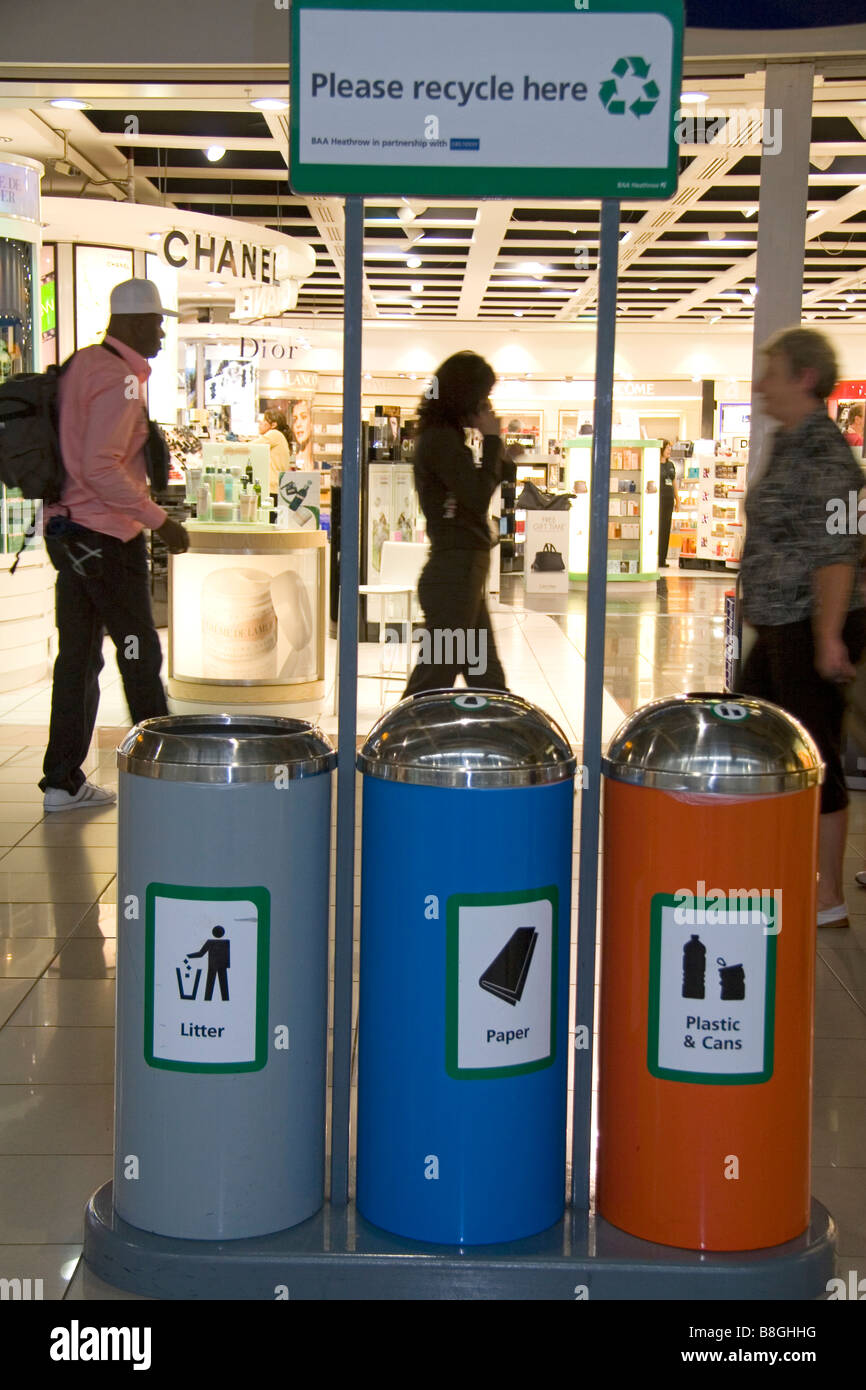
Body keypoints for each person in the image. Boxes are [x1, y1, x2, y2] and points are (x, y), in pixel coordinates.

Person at [39, 277, 189, 812]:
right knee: (138, 652)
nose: (162, 333)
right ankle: (165, 770)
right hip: (106, 539)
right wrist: (159, 521)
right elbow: (101, 466)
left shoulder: (82, 365)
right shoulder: (122, 379)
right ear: (131, 323)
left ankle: (62, 780)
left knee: (77, 658)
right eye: (157, 322)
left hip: (69, 533)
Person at [736, 327, 866, 927]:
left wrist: (829, 637)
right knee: (759, 740)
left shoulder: (827, 456)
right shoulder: (788, 443)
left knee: (816, 752)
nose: (761, 384)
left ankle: (829, 896)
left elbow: (839, 552)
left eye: (772, 371)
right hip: (777, 622)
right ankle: (775, 866)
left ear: (804, 379)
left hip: (810, 623)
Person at [403, 351, 508, 695]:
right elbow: (477, 496)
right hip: (455, 575)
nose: (487, 404)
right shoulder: (440, 441)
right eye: (483, 396)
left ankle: (501, 743)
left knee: (486, 679)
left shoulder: (443, 438)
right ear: (465, 395)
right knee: (433, 680)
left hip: (462, 575)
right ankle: (392, 747)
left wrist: (499, 453)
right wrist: (492, 440)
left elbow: (472, 490)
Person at [258, 409, 293, 496]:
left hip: (271, 487)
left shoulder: (274, 434)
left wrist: (224, 442)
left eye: (263, 421)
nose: (260, 424)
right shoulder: (280, 436)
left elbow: (251, 446)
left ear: (274, 425)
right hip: (276, 487)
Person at [658, 439, 680, 569]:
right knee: (658, 528)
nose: (669, 451)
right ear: (661, 449)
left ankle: (662, 559)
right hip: (658, 500)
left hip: (668, 499)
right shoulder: (655, 464)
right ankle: (655, 557)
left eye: (670, 449)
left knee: (666, 529)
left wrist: (677, 500)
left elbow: (674, 482)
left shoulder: (671, 465)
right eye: (667, 448)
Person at [291, 398, 314, 470]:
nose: (298, 424)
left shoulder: (316, 462)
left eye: (303, 417)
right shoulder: (293, 461)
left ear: (312, 423)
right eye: (295, 419)